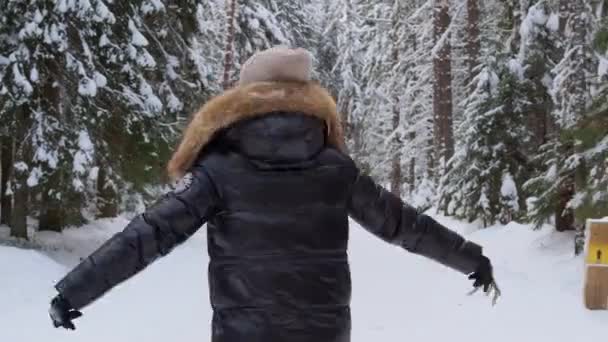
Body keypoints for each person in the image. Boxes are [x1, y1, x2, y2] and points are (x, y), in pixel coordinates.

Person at [49, 47, 500, 341]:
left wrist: (74, 291)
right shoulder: (335, 169)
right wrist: (470, 258)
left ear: (242, 100)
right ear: (308, 100)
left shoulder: (216, 170)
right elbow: (405, 225)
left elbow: (148, 235)